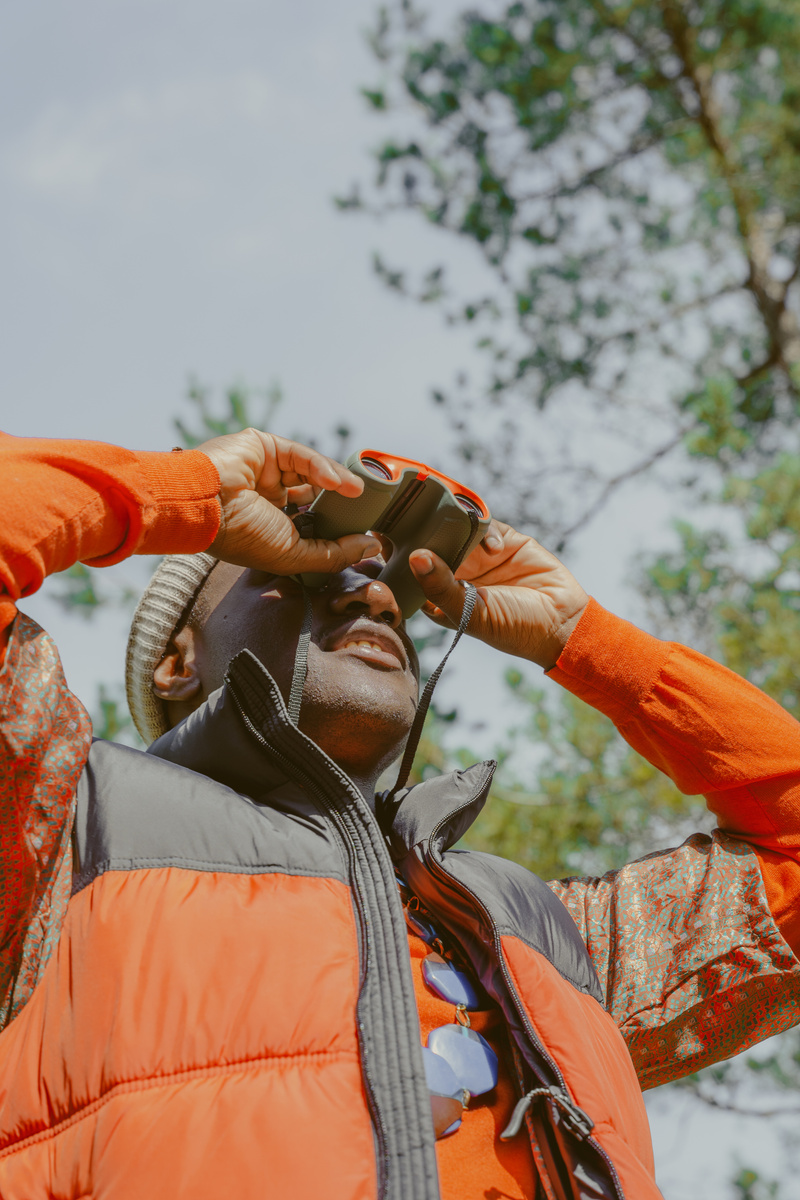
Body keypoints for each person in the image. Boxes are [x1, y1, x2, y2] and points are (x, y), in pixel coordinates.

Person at [1, 426, 799, 1200]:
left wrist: (583, 639)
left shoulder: (533, 935)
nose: (376, 592)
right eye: (306, 559)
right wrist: (191, 494)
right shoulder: (57, 830)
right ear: (176, 658)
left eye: (392, 588)